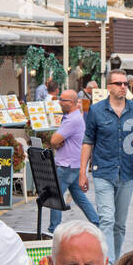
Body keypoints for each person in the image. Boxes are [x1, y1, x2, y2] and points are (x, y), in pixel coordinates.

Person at [80, 69, 133, 263]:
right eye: (119, 84)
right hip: (103, 171)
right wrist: (82, 172)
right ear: (109, 87)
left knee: (120, 224)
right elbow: (88, 141)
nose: (123, 87)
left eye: (126, 83)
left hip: (126, 172)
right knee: (107, 219)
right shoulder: (96, 110)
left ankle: (116, 262)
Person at [48, 88, 99, 233]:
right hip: (73, 163)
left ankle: (54, 229)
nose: (59, 102)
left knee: (55, 197)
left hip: (67, 165)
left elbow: (54, 139)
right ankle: (97, 223)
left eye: (62, 100)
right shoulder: (74, 117)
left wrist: (56, 142)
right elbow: (57, 140)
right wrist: (58, 142)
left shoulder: (73, 119)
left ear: (70, 102)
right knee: (79, 197)